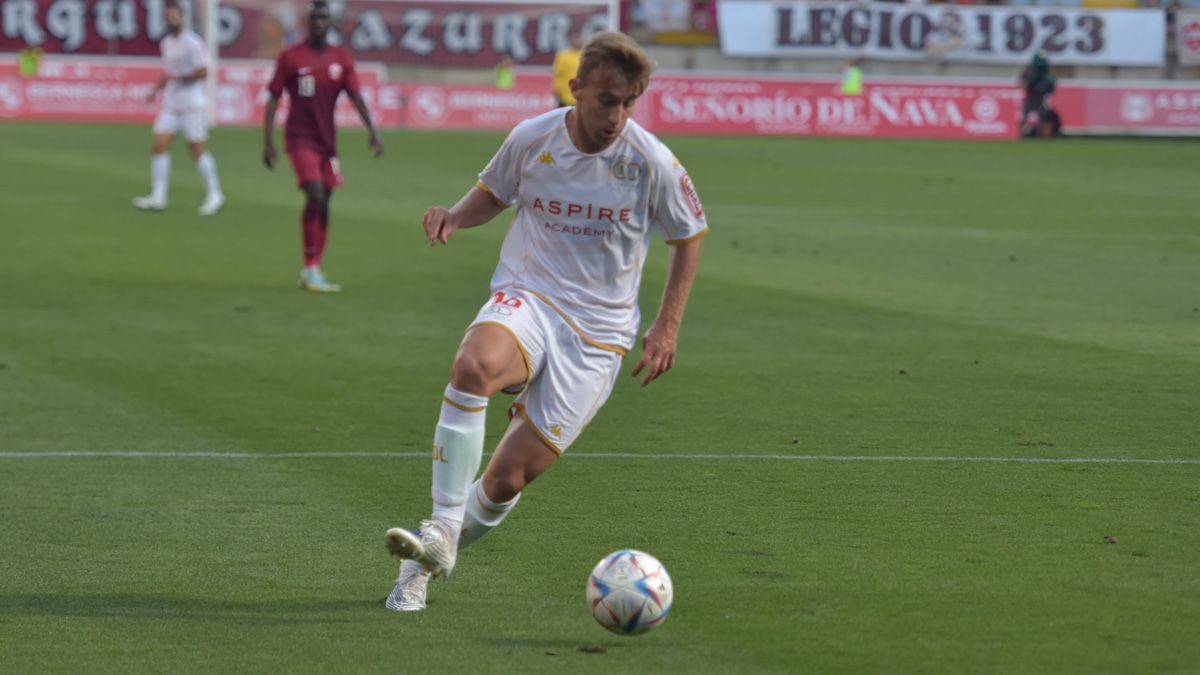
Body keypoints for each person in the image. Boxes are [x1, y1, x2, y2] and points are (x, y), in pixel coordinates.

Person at [383, 32, 709, 612]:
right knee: (475, 363)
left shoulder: (649, 160)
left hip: (600, 335)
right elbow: (495, 191)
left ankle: (424, 564)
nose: (617, 115)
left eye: (630, 101)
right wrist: (456, 216)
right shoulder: (533, 138)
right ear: (576, 88)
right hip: (530, 294)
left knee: (507, 480)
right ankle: (438, 530)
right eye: (607, 99)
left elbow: (689, 235)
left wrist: (667, 326)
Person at [262, 0, 383, 293]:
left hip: (327, 142)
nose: (318, 23)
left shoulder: (340, 59)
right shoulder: (291, 57)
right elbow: (274, 97)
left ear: (330, 23)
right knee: (314, 193)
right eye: (314, 18)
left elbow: (355, 96)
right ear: (307, 22)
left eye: (323, 18)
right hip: (299, 138)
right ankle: (309, 267)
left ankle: (313, 266)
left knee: (325, 200)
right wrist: (268, 142)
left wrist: (372, 130)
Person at [133, 3, 224, 215]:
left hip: (191, 104)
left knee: (196, 149)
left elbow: (203, 72)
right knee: (159, 145)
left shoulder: (192, 43)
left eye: (175, 16)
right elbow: (169, 72)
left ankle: (215, 193)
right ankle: (158, 196)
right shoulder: (166, 43)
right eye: (169, 17)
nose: (172, 20)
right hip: (171, 104)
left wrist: (179, 78)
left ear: (182, 18)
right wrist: (156, 90)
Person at [1019, 50, 1059, 139]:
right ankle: (1019, 134)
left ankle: (1042, 135)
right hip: (1030, 97)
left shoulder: (1046, 71)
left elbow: (1050, 86)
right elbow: (1026, 81)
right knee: (1024, 116)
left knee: (1043, 117)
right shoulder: (1030, 70)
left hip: (1040, 98)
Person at [551, 31, 583, 107]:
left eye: (578, 38)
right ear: (570, 40)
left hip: (581, 96)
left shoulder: (585, 56)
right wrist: (556, 89)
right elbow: (558, 75)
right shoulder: (562, 56)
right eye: (574, 38)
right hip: (565, 96)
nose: (577, 40)